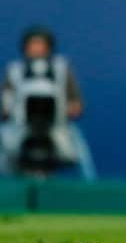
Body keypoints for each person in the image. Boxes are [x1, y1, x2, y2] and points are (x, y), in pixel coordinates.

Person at [0, 26, 96, 180]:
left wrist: (72, 108)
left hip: (56, 128)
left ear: (49, 47)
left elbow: (76, 103)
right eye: (33, 44)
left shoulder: (62, 69)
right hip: (19, 128)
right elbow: (5, 103)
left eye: (40, 44)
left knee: (75, 148)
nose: (36, 49)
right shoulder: (14, 70)